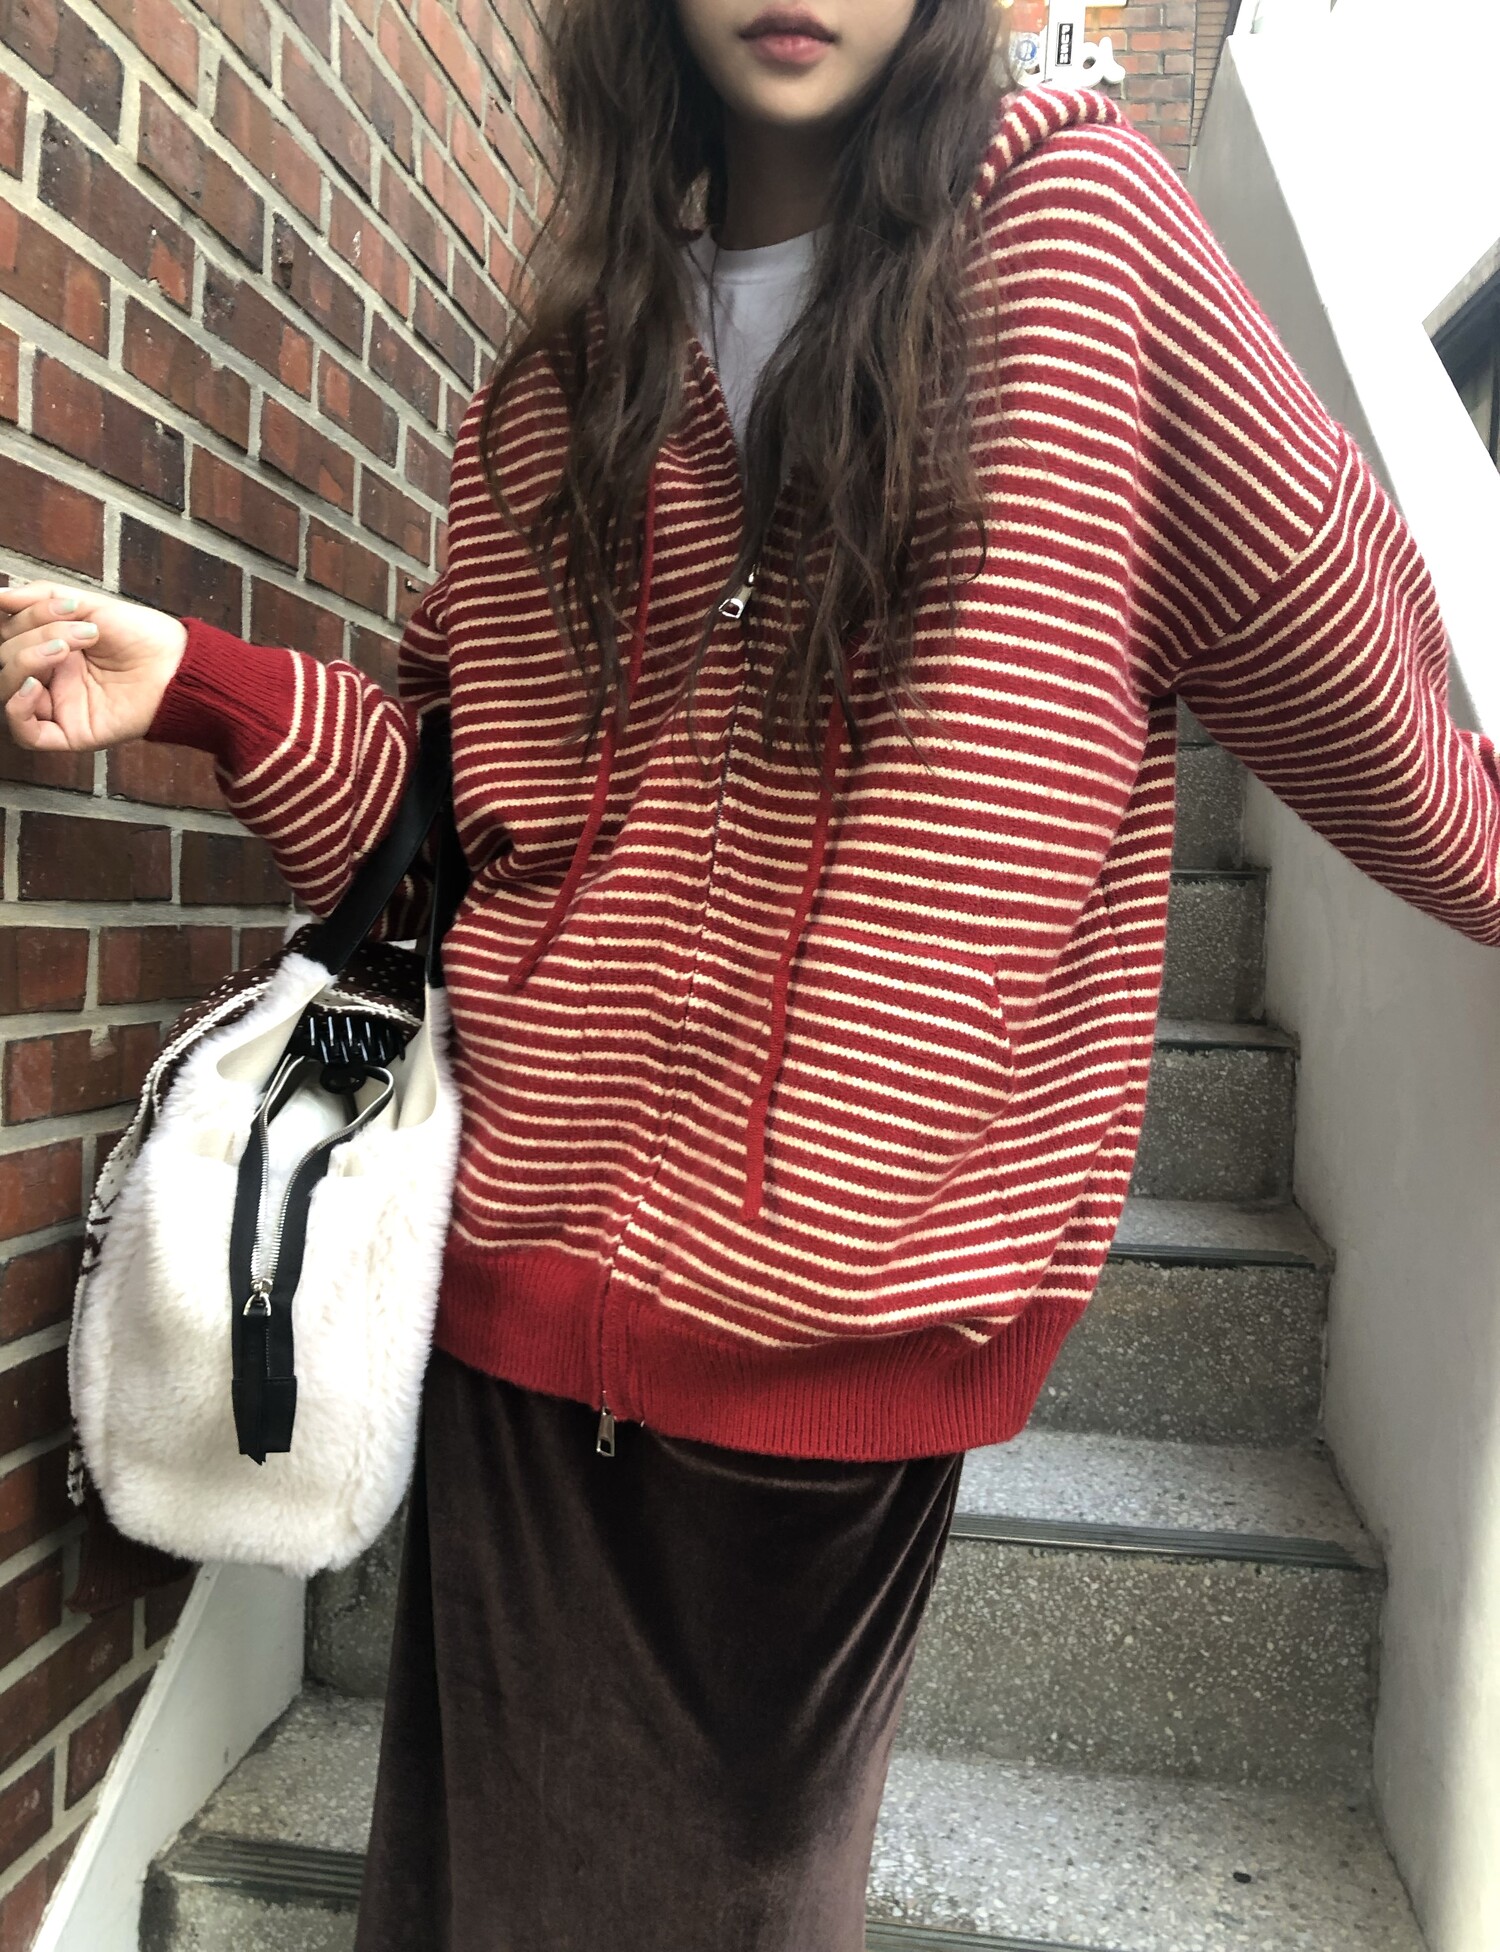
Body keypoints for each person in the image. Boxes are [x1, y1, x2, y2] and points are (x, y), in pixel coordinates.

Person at [6, 2, 1500, 1946]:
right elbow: (456, 820)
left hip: (838, 1377)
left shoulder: (1086, 251)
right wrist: (205, 689)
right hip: (511, 1325)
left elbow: (1366, 690)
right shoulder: (563, 372)